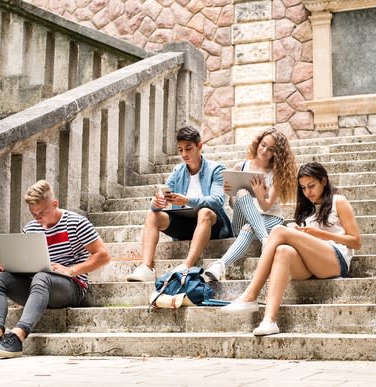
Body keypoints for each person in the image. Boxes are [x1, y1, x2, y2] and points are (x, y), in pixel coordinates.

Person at [0, 180, 110, 358]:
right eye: (33, 214)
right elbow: (26, 263)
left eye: (42, 213)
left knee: (42, 276)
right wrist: (8, 266)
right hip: (38, 288)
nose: (37, 218)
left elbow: (103, 255)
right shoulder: (31, 228)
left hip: (72, 287)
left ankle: (17, 338)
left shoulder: (76, 223)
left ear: (54, 204)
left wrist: (71, 270)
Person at [221, 162, 362, 335]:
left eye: (311, 186)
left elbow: (356, 242)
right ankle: (269, 320)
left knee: (278, 230)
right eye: (303, 188)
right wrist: (301, 232)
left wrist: (321, 235)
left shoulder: (338, 201)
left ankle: (251, 295)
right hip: (311, 264)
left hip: (335, 260)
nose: (307, 192)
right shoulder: (307, 209)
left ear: (324, 181)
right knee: (283, 251)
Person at [126, 126, 232, 282]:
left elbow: (217, 201)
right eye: (180, 150)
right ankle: (146, 267)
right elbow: (159, 199)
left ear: (199, 146)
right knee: (153, 216)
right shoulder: (178, 172)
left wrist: (187, 200)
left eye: (188, 149)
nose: (184, 154)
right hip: (185, 223)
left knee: (204, 212)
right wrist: (157, 203)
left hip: (211, 224)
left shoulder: (216, 169)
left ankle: (187, 266)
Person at [203, 128, 297, 281]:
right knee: (241, 193)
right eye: (263, 145)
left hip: (270, 219)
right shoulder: (240, 167)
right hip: (243, 220)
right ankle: (265, 240)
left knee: (249, 227)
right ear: (258, 143)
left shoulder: (277, 174)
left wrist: (260, 195)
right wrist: (231, 194)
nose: (265, 151)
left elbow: (266, 207)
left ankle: (220, 265)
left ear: (277, 153)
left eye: (271, 149)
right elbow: (234, 206)